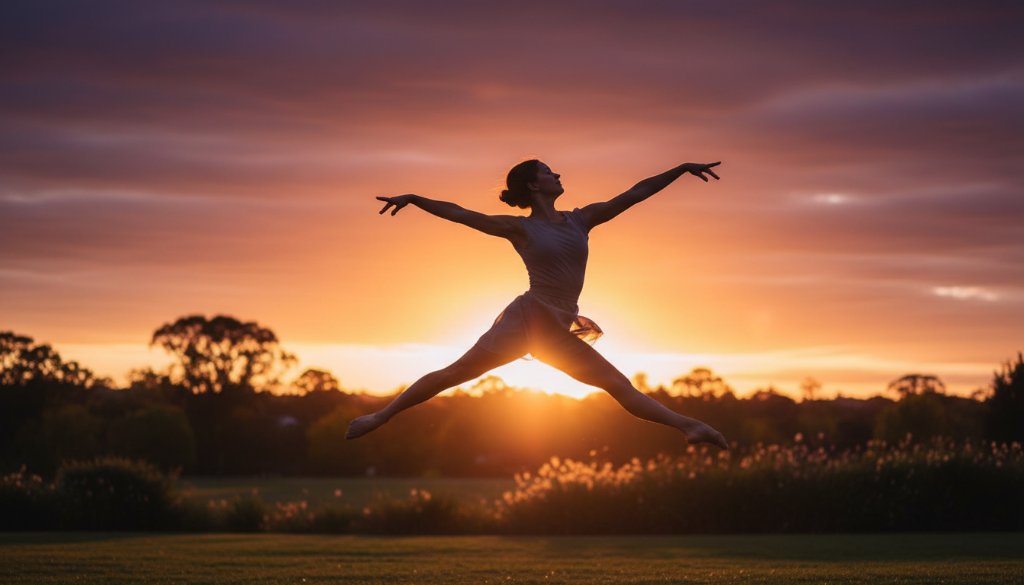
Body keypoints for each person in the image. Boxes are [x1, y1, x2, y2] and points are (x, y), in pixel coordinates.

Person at [346, 159, 728, 449]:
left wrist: (680, 169)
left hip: (556, 327)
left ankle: (690, 426)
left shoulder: (582, 220)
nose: (557, 174)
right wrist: (415, 199)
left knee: (617, 385)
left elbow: (634, 193)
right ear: (533, 185)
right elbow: (462, 214)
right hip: (528, 318)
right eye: (548, 172)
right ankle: (380, 416)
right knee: (456, 372)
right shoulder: (520, 228)